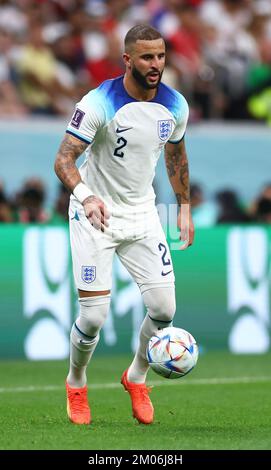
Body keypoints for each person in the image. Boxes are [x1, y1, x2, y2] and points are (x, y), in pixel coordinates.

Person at [54, 24, 194, 426]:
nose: (156, 65)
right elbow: (63, 159)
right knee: (94, 317)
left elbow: (176, 156)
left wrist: (183, 205)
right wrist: (86, 197)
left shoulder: (175, 105)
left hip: (143, 214)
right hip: (94, 214)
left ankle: (136, 377)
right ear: (128, 60)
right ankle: (76, 383)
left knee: (164, 309)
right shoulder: (100, 101)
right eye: (147, 57)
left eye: (162, 56)